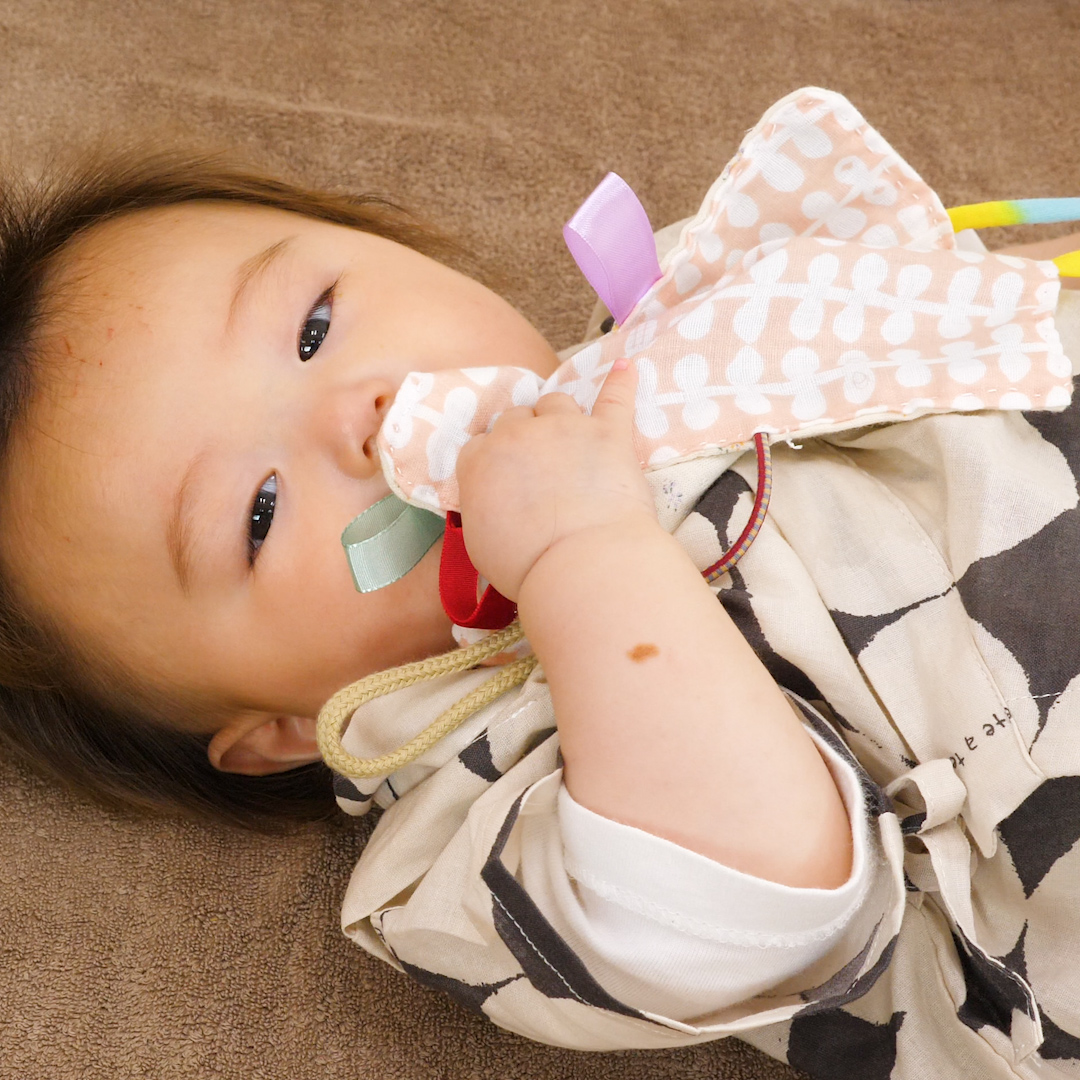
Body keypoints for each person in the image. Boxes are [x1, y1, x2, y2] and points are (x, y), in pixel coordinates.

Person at [0, 87, 1077, 1077]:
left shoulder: (688, 315)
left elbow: (962, 305)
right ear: (285, 727)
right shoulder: (475, 809)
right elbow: (757, 896)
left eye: (316, 327)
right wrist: (583, 554)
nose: (358, 413)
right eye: (259, 514)